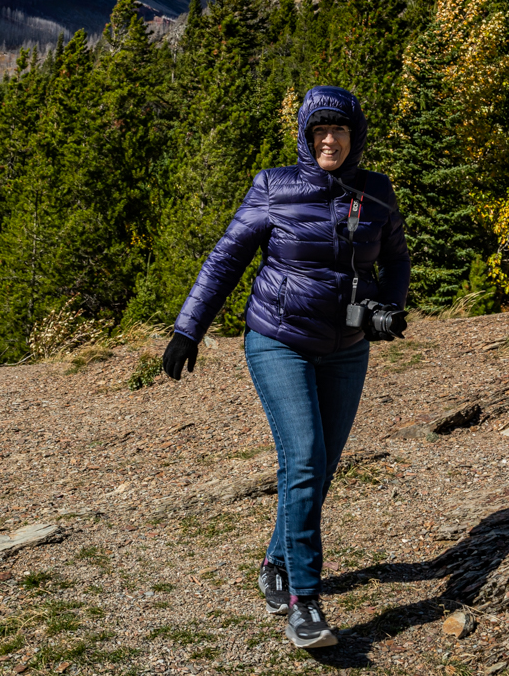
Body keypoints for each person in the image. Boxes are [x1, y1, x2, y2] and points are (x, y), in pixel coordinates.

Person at [162, 85, 410, 649]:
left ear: (355, 136)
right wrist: (188, 328)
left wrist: (389, 308)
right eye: (320, 131)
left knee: (321, 468)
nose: (330, 141)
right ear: (305, 135)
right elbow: (225, 258)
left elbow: (396, 259)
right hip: (279, 340)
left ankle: (276, 561)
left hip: (348, 348)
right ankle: (305, 602)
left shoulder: (376, 192)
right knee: (303, 459)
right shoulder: (274, 187)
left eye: (340, 130)